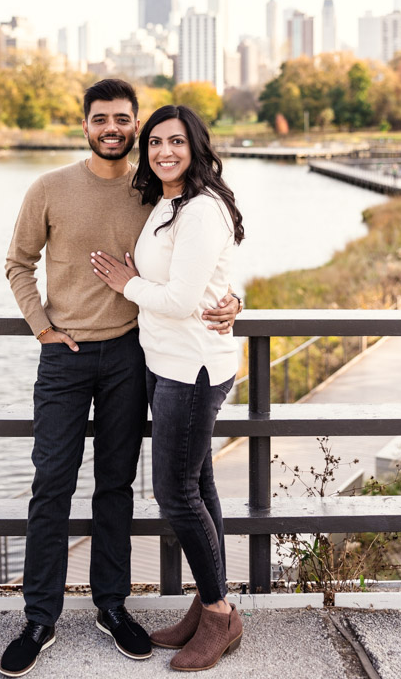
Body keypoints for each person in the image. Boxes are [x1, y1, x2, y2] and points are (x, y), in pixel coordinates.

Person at [0, 80, 241, 677]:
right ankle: (39, 617)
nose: (113, 127)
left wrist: (234, 299)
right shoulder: (49, 188)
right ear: (84, 125)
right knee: (51, 482)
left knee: (115, 485)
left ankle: (111, 605)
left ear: (135, 126)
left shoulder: (152, 193)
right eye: (100, 118)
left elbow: (202, 263)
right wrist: (42, 326)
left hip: (132, 359)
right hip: (64, 359)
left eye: (123, 119)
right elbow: (17, 263)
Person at [90, 104, 245, 672]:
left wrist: (127, 282)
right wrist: (227, 295)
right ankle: (209, 610)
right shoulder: (168, 203)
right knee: (198, 487)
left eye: (176, 142)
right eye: (154, 143)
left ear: (195, 145)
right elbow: (205, 280)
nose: (164, 152)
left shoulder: (201, 209)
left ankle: (221, 614)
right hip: (168, 365)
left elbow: (183, 300)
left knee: (176, 493)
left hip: (193, 369)